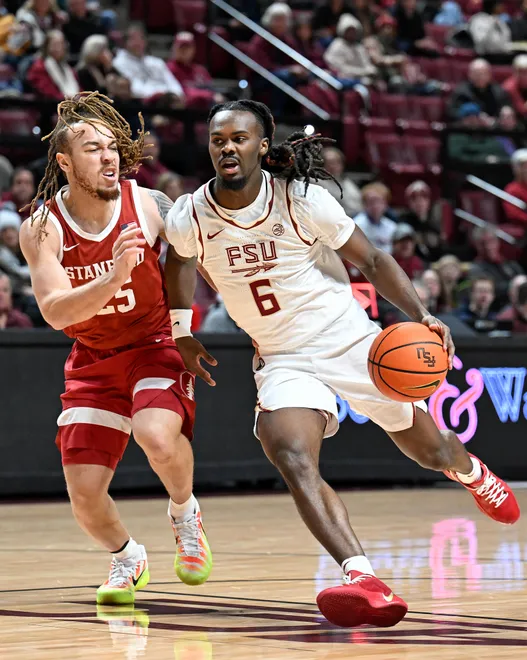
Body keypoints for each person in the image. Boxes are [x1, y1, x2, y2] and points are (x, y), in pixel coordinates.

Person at [163, 99, 520, 629]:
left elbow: (373, 259)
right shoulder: (190, 213)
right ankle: (363, 577)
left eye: (239, 138)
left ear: (262, 146)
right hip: (282, 356)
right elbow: (179, 263)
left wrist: (422, 314)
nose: (227, 148)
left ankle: (470, 471)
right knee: (289, 452)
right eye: (218, 140)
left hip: (350, 341)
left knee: (432, 450)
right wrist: (182, 332)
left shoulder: (302, 199)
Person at [19, 91, 212, 607]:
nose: (107, 157)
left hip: (153, 344)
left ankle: (185, 512)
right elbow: (56, 311)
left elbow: (200, 257)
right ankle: (127, 557)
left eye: (111, 147)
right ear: (64, 162)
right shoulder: (41, 228)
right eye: (92, 149)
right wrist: (112, 277)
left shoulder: (148, 204)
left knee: (156, 434)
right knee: (83, 496)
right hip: (93, 360)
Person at [26, 29, 80, 101]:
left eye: (61, 44)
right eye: (55, 44)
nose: (59, 48)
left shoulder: (67, 68)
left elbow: (80, 91)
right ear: (46, 46)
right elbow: (48, 94)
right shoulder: (39, 67)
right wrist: (69, 99)